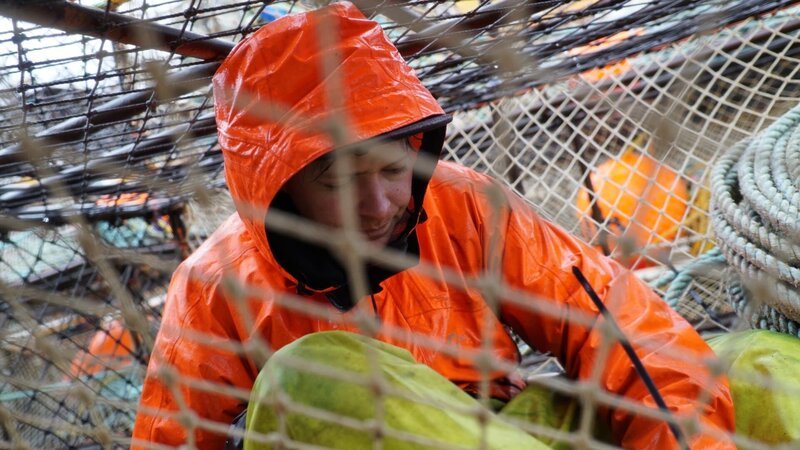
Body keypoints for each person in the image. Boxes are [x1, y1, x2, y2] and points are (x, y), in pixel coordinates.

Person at [132, 2, 735, 449]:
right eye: (338, 181)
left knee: (751, 365)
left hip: (498, 431)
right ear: (278, 193)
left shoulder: (465, 205)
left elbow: (616, 324)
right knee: (309, 377)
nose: (377, 204)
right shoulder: (214, 286)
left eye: (393, 169)